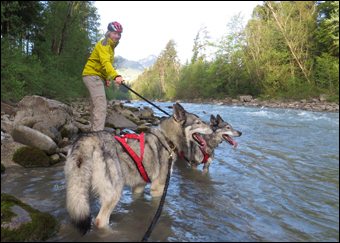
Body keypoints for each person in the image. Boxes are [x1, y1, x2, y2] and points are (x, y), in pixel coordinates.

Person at [82, 21, 125, 131]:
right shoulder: (105, 44)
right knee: (101, 106)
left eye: (119, 34)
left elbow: (103, 63)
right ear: (109, 32)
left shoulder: (110, 46)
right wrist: (116, 76)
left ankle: (93, 133)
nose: (117, 36)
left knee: (96, 105)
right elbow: (106, 62)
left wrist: (106, 78)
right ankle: (97, 136)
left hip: (93, 75)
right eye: (115, 33)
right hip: (92, 75)